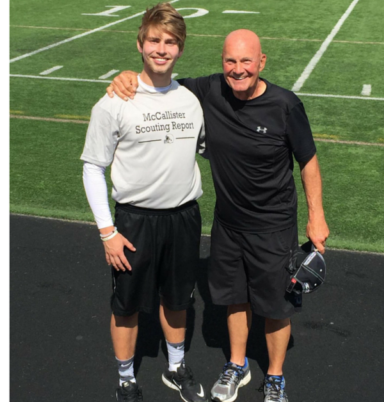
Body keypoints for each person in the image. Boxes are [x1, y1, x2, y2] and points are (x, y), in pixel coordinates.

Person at [108, 29, 329, 402]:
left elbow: (307, 161)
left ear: (262, 62)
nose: (238, 69)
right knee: (234, 297)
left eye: (246, 61)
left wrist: (316, 216)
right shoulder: (209, 90)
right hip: (227, 224)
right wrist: (127, 76)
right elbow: (161, 82)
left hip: (274, 225)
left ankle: (275, 377)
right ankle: (237, 365)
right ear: (221, 63)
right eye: (230, 61)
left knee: (276, 306)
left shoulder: (285, 105)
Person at [80, 3, 208, 402]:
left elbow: (207, 149)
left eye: (171, 42)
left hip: (184, 217)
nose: (162, 48)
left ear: (180, 49)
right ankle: (125, 378)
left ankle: (175, 367)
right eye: (154, 40)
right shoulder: (114, 101)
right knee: (127, 304)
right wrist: (107, 232)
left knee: (177, 298)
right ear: (140, 43)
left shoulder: (190, 99)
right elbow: (92, 168)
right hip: (135, 221)